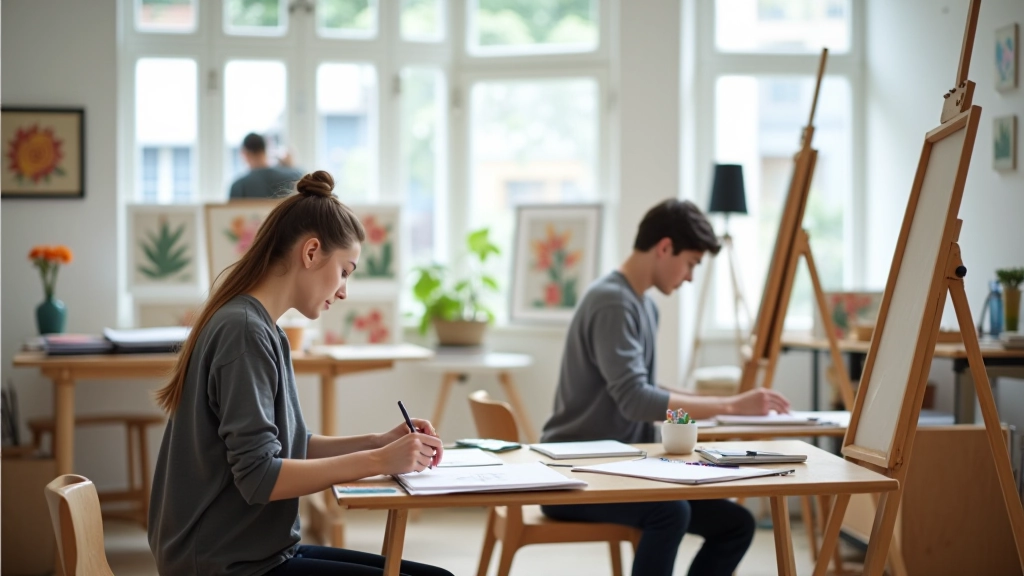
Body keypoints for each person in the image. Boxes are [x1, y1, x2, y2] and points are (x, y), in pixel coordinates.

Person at [149, 170, 452, 576]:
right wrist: (379, 458)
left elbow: (291, 446)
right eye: (345, 271)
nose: (344, 291)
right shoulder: (243, 331)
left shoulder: (263, 328)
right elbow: (260, 477)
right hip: (226, 564)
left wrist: (380, 442)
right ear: (311, 253)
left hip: (260, 551)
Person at [539, 198, 792, 576]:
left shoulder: (642, 305)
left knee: (736, 524)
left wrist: (729, 402)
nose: (690, 276)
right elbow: (635, 400)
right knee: (670, 512)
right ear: (664, 247)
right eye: (691, 263)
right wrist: (732, 406)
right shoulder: (613, 302)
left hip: (619, 466)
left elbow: (643, 386)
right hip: (577, 473)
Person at [229, 132, 304, 199]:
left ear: (245, 154)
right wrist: (290, 166)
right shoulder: (292, 176)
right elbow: (305, 178)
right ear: (265, 149)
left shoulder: (238, 186)